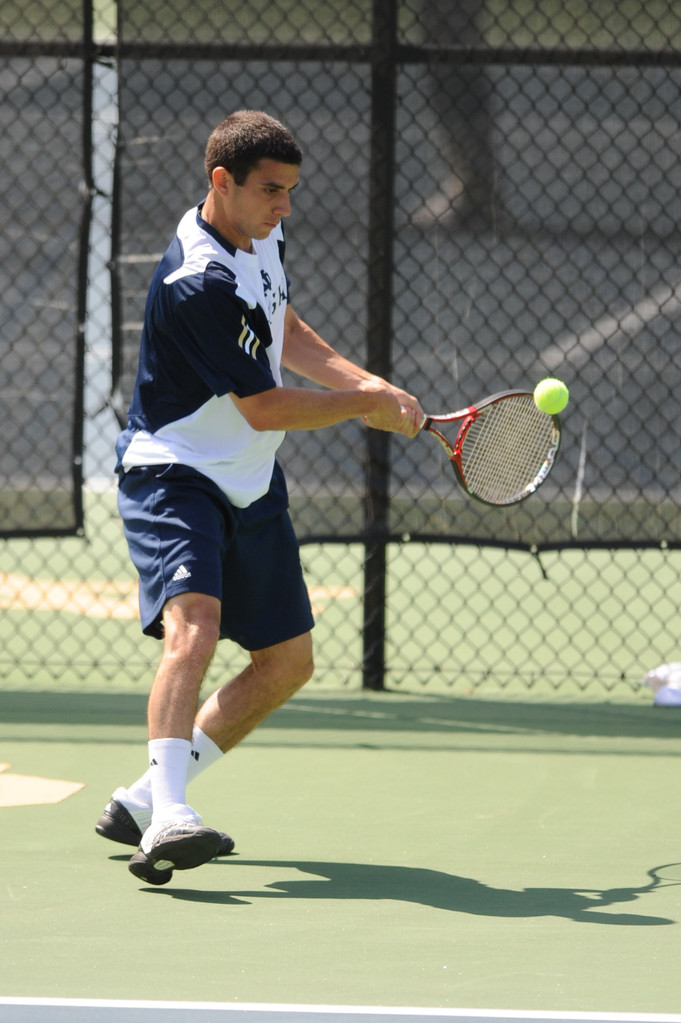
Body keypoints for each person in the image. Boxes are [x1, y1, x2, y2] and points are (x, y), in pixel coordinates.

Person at [95, 110, 423, 886]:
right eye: (271, 191)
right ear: (222, 182)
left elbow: (279, 321)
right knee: (196, 625)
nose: (284, 207)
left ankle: (142, 798)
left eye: (291, 192)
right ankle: (170, 815)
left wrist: (362, 381)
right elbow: (264, 405)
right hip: (174, 469)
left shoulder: (258, 233)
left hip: (247, 476)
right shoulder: (195, 282)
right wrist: (362, 406)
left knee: (286, 664)